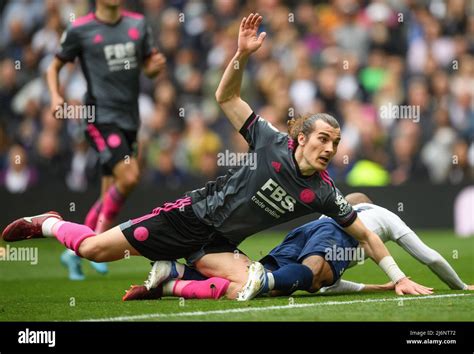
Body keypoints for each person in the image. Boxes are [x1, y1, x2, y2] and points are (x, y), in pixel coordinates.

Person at [2, 13, 430, 297]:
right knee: (95, 249)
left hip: (222, 243)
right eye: (322, 139)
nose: (329, 149)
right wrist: (241, 56)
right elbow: (225, 97)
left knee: (256, 286)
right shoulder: (269, 140)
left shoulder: (322, 192)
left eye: (335, 144)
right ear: (300, 137)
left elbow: (366, 235)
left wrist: (398, 277)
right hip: (189, 218)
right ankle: (51, 222)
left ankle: (170, 280)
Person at [123, 193, 471, 301]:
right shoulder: (380, 216)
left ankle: (175, 277)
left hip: (304, 232)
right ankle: (178, 277)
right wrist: (461, 286)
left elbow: (323, 283)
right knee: (307, 276)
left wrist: (375, 285)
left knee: (266, 283)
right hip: (328, 236)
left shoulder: (329, 214)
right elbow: (431, 257)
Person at [46, 0, 165, 280]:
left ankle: (77, 251)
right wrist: (55, 96)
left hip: (130, 119)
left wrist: (155, 68)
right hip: (100, 116)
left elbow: (149, 69)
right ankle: (91, 242)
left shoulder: (137, 25)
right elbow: (53, 67)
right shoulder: (81, 29)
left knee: (111, 188)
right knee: (130, 177)